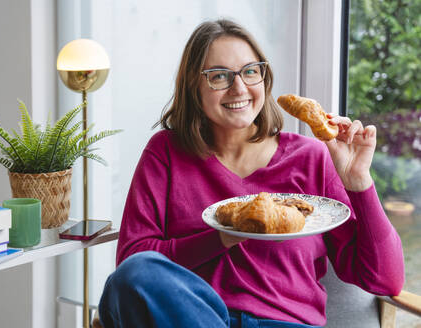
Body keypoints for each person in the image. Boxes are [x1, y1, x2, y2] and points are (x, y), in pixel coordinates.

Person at [97, 19, 404, 328]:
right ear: (194, 87)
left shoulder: (311, 158)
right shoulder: (165, 152)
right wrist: (221, 237)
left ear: (263, 78)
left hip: (284, 323)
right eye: (219, 76)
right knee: (136, 273)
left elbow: (385, 280)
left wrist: (359, 182)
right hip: (194, 319)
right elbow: (132, 265)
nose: (239, 88)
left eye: (250, 71)